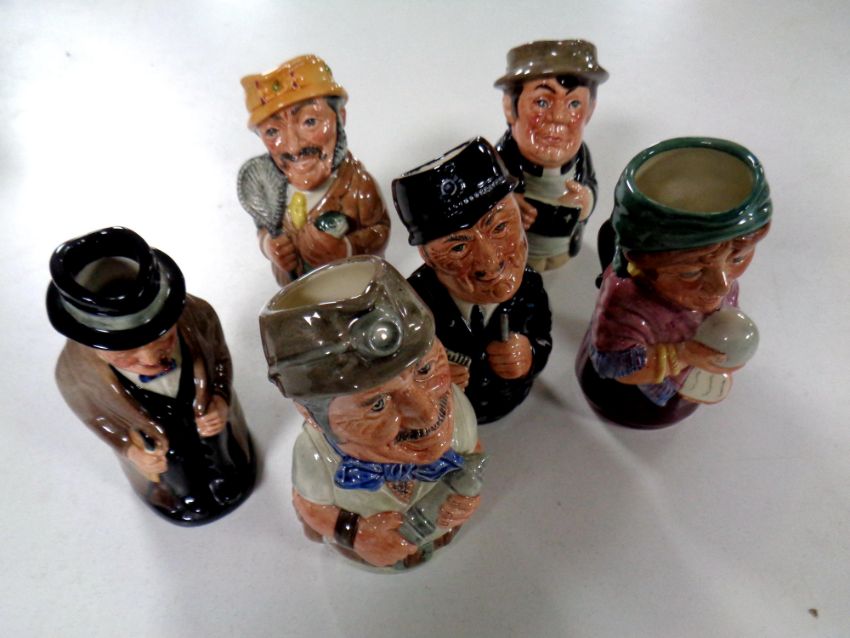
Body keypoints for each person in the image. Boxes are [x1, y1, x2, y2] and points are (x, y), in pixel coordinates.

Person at [259, 256, 485, 569]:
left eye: (425, 371)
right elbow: (309, 505)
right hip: (369, 555)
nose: (426, 414)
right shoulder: (315, 453)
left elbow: (473, 454)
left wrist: (468, 495)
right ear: (312, 416)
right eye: (377, 404)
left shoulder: (455, 407)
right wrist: (356, 534)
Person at [47, 227, 255, 524]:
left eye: (163, 340)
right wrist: (130, 450)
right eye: (127, 353)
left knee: (217, 443)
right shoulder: (74, 373)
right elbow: (97, 419)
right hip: (156, 437)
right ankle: (185, 492)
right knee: (174, 465)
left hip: (204, 417)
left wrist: (220, 398)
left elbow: (220, 360)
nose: (150, 360)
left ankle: (226, 472)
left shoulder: (199, 316)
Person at [577, 138, 772, 428]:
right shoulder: (627, 297)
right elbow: (613, 364)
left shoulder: (720, 284)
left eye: (738, 258)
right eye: (690, 273)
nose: (722, 285)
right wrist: (680, 355)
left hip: (688, 386)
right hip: (628, 399)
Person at [393, 137, 552, 424]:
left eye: (500, 227)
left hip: (514, 404)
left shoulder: (530, 287)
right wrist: (429, 380)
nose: (490, 262)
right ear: (427, 257)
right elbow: (395, 372)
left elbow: (542, 335)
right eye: (458, 247)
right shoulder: (412, 306)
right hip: (452, 422)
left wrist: (529, 354)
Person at [238, 54, 390, 286]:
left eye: (309, 121)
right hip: (300, 295)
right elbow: (263, 226)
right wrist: (270, 246)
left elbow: (379, 230)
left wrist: (347, 249)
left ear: (340, 117)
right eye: (272, 132)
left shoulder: (358, 186)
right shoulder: (270, 187)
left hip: (355, 292)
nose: (293, 146)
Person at [494, 39, 608, 272]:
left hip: (565, 250)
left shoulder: (581, 157)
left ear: (590, 110)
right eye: (542, 102)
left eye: (574, 104)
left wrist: (587, 200)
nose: (559, 117)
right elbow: (485, 201)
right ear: (509, 107)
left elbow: (591, 184)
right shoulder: (500, 161)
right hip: (520, 256)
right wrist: (506, 206)